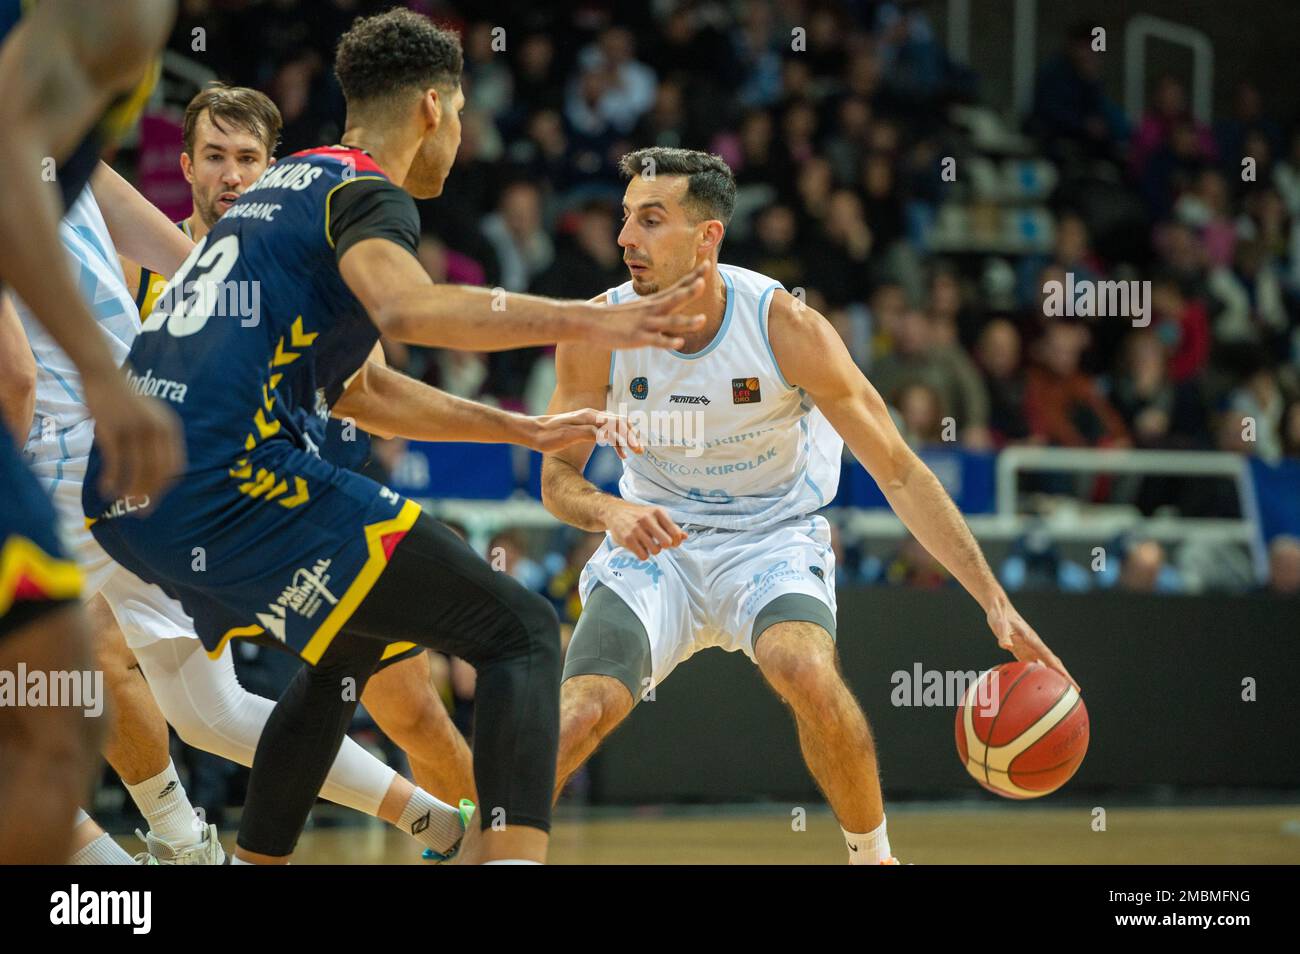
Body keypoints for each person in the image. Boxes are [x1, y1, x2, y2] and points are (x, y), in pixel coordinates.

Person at [83, 10, 705, 865]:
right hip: (221, 475)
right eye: (458, 116)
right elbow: (410, 309)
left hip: (122, 493)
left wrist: (519, 429)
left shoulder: (284, 185)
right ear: (431, 108)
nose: (461, 134)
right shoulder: (366, 193)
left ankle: (253, 859)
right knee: (521, 629)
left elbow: (363, 387)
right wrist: (599, 321)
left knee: (344, 653)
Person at [542, 147, 1077, 864]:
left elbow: (898, 469)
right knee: (578, 714)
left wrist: (993, 599)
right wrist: (610, 514)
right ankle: (488, 850)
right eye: (624, 219)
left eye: (650, 220)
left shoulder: (785, 327)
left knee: (806, 671)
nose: (624, 238)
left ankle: (873, 858)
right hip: (655, 538)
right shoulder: (595, 331)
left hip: (772, 536)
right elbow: (557, 480)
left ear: (708, 237)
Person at [0, 0, 185, 864]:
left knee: (64, 706)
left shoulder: (115, 34)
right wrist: (104, 373)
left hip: (67, 421)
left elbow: (66, 169)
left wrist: (204, 272)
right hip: (48, 423)